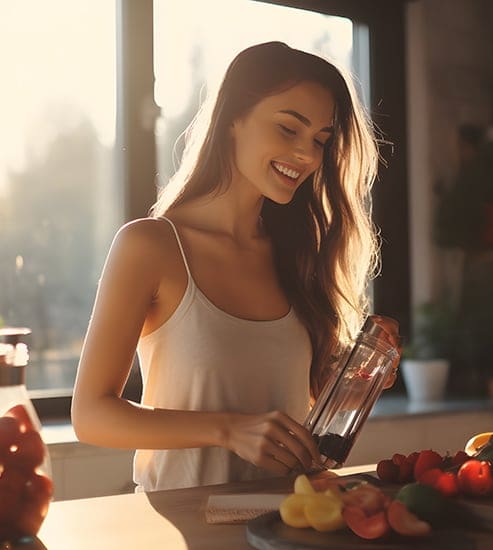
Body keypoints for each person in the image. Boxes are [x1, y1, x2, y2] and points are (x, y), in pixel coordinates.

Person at [71, 41, 400, 492]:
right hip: (185, 529)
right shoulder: (151, 246)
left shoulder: (301, 254)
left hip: (288, 525)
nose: (306, 154)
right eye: (288, 129)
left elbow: (299, 411)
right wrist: (227, 430)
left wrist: (360, 379)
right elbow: (91, 415)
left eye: (320, 140)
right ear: (232, 121)